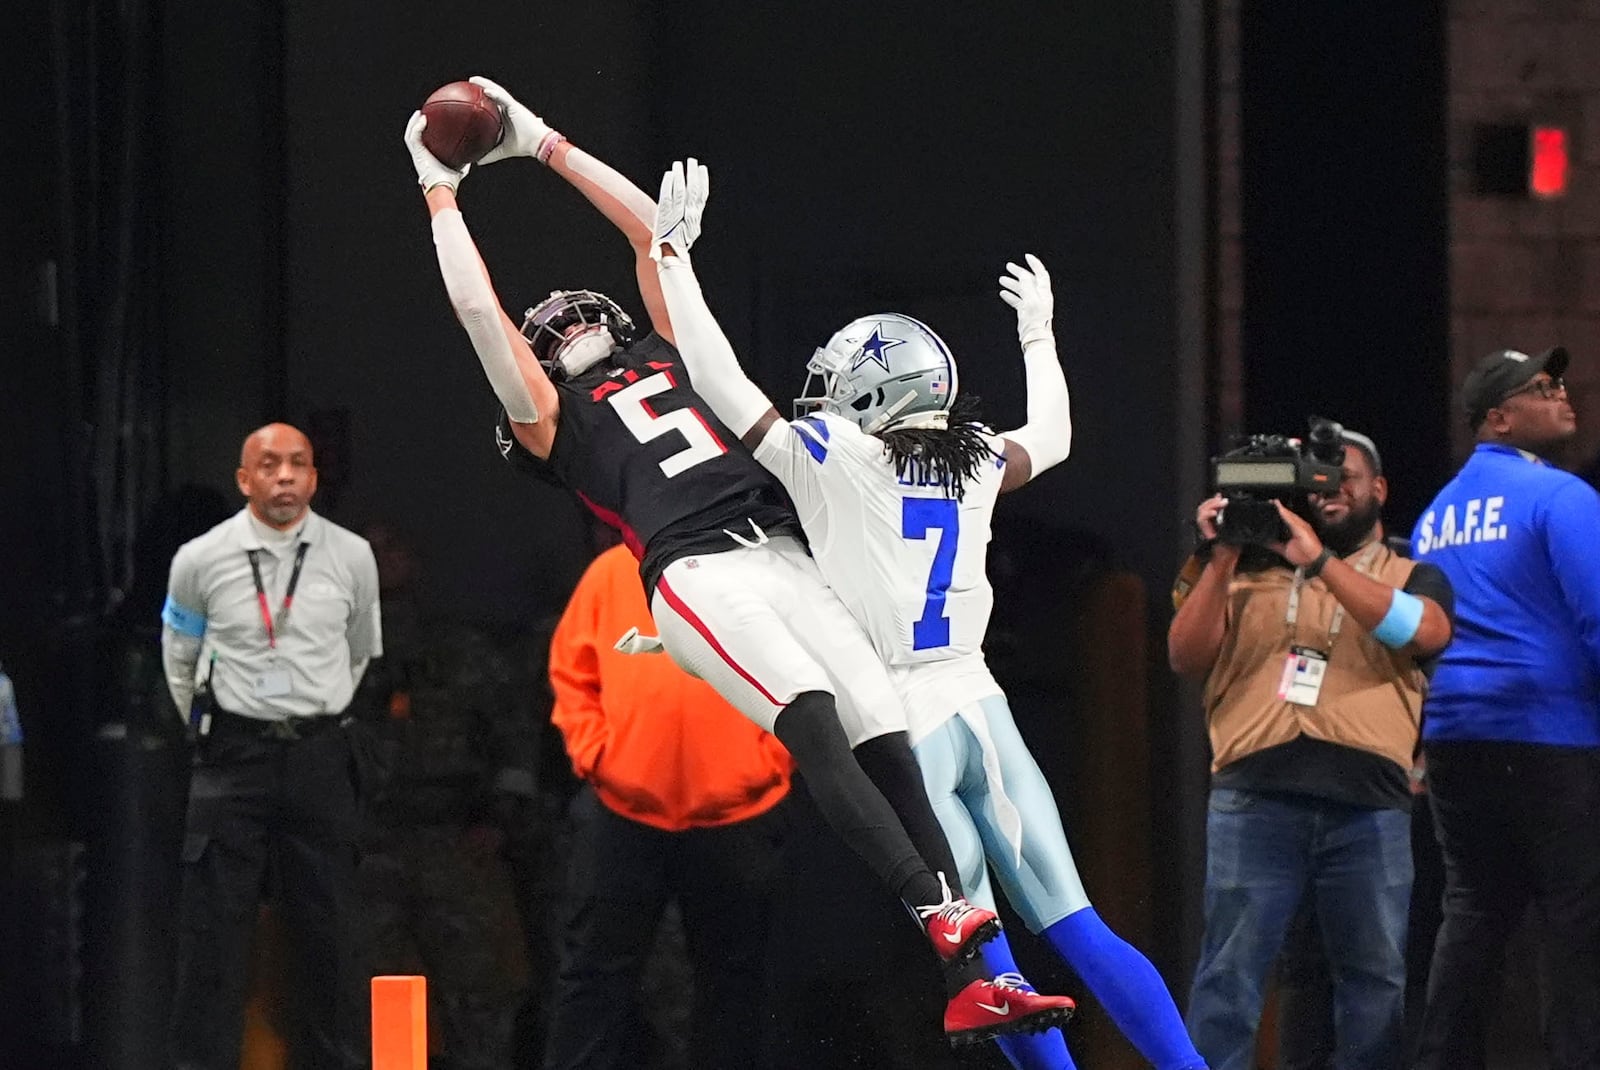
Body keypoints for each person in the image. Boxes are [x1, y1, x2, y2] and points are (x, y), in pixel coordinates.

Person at [402, 77, 1074, 1044]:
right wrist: (440, 191)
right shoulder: (552, 420)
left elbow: (656, 241)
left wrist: (546, 145)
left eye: (572, 312)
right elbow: (478, 312)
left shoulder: (678, 358)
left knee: (882, 727)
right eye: (546, 328)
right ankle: (943, 912)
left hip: (785, 551)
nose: (563, 323)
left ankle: (969, 969)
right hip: (696, 572)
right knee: (811, 719)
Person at [646, 159, 1206, 1070]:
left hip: (904, 723)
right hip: (984, 706)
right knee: (1081, 930)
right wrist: (1038, 335)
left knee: (988, 969)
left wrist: (674, 262)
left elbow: (715, 377)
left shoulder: (833, 457)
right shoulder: (976, 458)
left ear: (875, 396)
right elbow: (1055, 436)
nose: (821, 398)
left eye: (837, 385)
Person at [1166, 428, 1454, 1070]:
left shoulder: (1411, 571)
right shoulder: (1244, 572)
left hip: (1368, 808)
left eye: (1344, 477)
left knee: (1374, 987)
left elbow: (1425, 632)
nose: (1330, 490)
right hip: (1253, 799)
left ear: (1378, 490)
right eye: (1315, 479)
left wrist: (1320, 561)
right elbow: (1185, 655)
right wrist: (1219, 556)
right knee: (1228, 980)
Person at [159, 422, 381, 1069]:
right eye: (268, 464)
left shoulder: (351, 556)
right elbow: (179, 658)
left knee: (330, 936)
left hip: (318, 754)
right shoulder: (200, 559)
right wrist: (223, 725)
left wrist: (312, 707)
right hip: (233, 757)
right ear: (244, 479)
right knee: (212, 938)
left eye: (297, 464)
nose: (284, 476)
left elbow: (361, 651)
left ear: (314, 478)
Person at [1408, 346, 1600, 1070]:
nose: (1563, 395)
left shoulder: (1436, 516)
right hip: (1553, 737)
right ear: (1499, 418)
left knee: (1475, 915)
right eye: (1543, 389)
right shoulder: (1561, 497)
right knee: (1577, 922)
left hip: (1457, 738)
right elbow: (1598, 618)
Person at [543, 537, 792, 1068]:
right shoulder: (612, 571)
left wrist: (768, 761)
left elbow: (801, 675)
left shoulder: (756, 571)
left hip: (738, 813)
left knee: (736, 986)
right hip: (621, 811)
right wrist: (597, 755)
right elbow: (573, 672)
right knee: (592, 978)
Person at [354, 522, 536, 1070]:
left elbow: (514, 736)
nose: (382, 560)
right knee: (388, 994)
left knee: (478, 992)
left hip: (457, 838)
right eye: (369, 549)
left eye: (392, 546)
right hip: (373, 842)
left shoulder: (460, 649)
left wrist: (501, 822)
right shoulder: (333, 651)